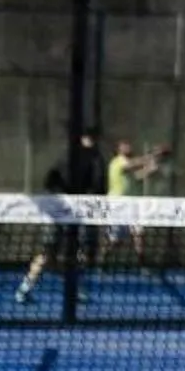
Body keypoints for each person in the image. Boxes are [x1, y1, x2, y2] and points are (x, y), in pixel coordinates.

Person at [16, 128, 107, 301]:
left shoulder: (66, 155)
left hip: (60, 209)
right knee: (71, 253)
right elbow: (99, 185)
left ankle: (26, 288)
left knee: (51, 252)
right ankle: (31, 288)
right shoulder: (94, 157)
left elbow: (49, 180)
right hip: (74, 212)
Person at [103, 136, 170, 265]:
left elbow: (137, 176)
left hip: (132, 203)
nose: (128, 147)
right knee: (115, 240)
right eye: (124, 145)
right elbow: (132, 164)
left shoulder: (129, 165)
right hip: (117, 204)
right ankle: (103, 260)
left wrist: (151, 168)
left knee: (139, 232)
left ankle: (142, 262)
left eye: (129, 144)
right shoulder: (117, 162)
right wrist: (153, 155)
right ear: (118, 149)